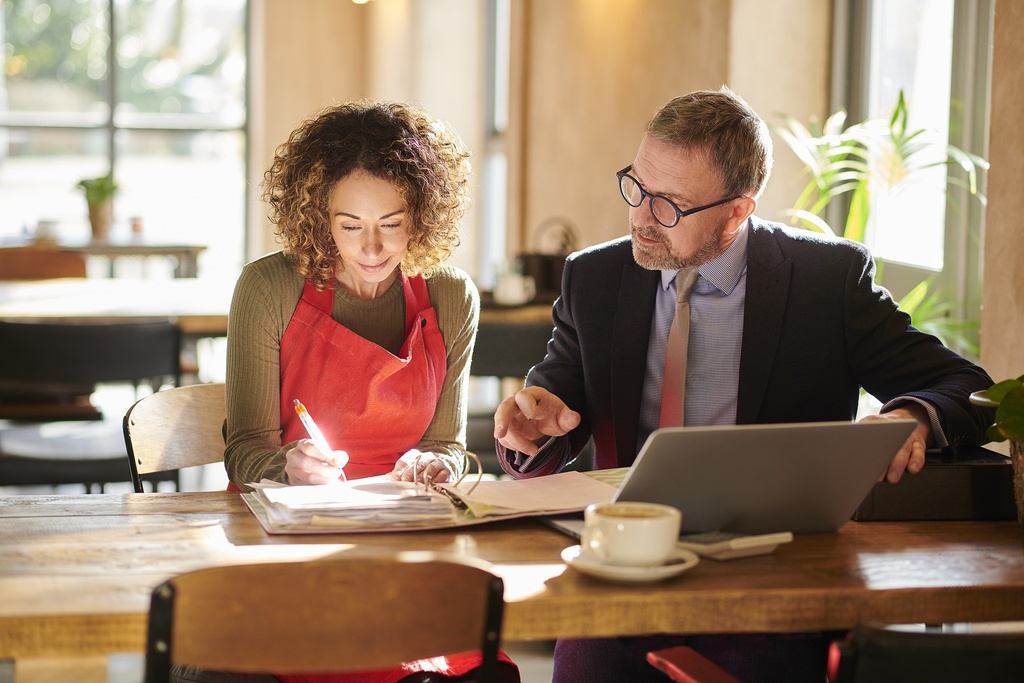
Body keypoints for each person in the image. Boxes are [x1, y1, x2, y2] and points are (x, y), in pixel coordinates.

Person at [492, 86, 995, 683]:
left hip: (770, 585)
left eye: (669, 205)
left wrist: (911, 417)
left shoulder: (825, 281)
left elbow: (967, 386)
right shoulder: (594, 277)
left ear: (737, 211)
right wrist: (530, 432)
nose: (641, 218)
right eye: (637, 187)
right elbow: (553, 407)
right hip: (620, 579)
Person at [211, 101, 519, 683]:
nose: (372, 248)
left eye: (391, 224)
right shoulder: (268, 287)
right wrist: (286, 466)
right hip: (288, 537)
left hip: (406, 536)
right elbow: (243, 450)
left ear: (422, 216)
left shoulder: (451, 297)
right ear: (319, 218)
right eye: (350, 226)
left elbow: (449, 445)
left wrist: (437, 464)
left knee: (472, 663)